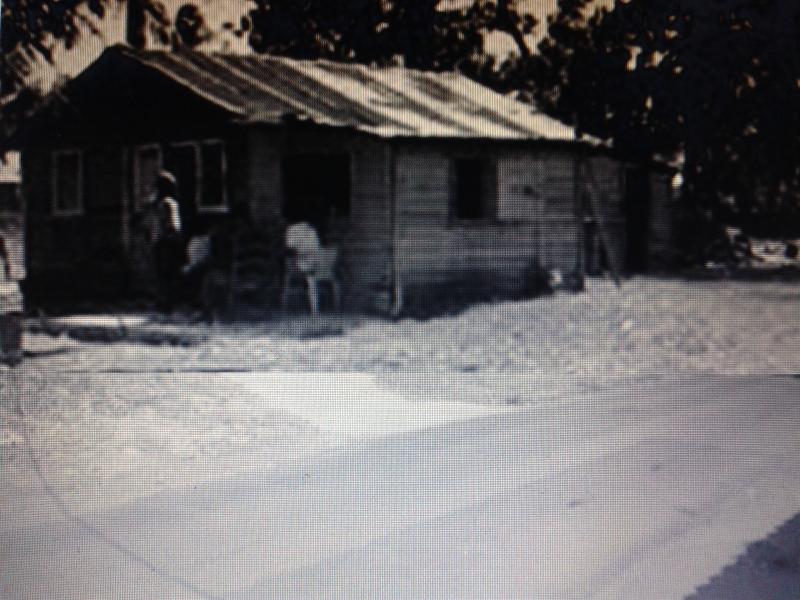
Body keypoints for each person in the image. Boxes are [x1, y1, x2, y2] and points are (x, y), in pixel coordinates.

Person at [149, 170, 186, 313]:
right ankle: (164, 302)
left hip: (164, 242)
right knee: (164, 273)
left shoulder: (165, 204)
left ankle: (166, 303)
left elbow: (171, 225)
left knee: (165, 274)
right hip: (163, 241)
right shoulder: (163, 204)